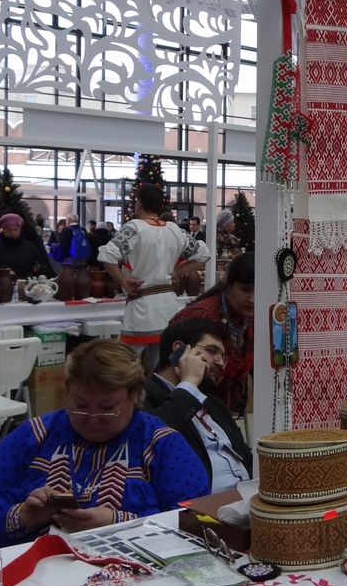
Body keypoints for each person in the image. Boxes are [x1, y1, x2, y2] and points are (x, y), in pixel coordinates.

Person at [0, 339, 209, 546]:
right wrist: (23, 516)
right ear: (67, 391)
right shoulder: (35, 435)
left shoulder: (162, 444)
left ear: (133, 395)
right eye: (80, 405)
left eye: (107, 408)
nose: (92, 418)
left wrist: (121, 522)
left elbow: (193, 521)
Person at [98, 185, 210, 372]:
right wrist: (177, 271)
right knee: (163, 367)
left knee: (124, 365)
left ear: (138, 204)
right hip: (168, 307)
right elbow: (203, 254)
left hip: (141, 307)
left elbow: (107, 255)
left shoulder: (134, 228)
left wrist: (122, 280)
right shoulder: (174, 230)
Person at [142, 317, 252, 493]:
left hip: (247, 496)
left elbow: (247, 457)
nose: (220, 362)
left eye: (222, 356)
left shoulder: (214, 404)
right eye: (212, 350)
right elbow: (151, 436)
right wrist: (190, 382)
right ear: (180, 351)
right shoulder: (142, 395)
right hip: (199, 504)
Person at [172, 252, 254, 414]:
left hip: (223, 407)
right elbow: (176, 371)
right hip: (188, 407)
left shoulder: (252, 314)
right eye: (245, 289)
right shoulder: (203, 315)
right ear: (229, 284)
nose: (252, 299)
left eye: (259, 290)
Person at [0, 212, 56, 278]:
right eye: (9, 230)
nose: (13, 233)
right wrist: (1, 270)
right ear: (3, 230)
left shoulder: (30, 247)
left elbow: (43, 266)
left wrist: (38, 267)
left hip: (27, 282)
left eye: (16, 230)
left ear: (20, 230)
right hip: (2, 282)